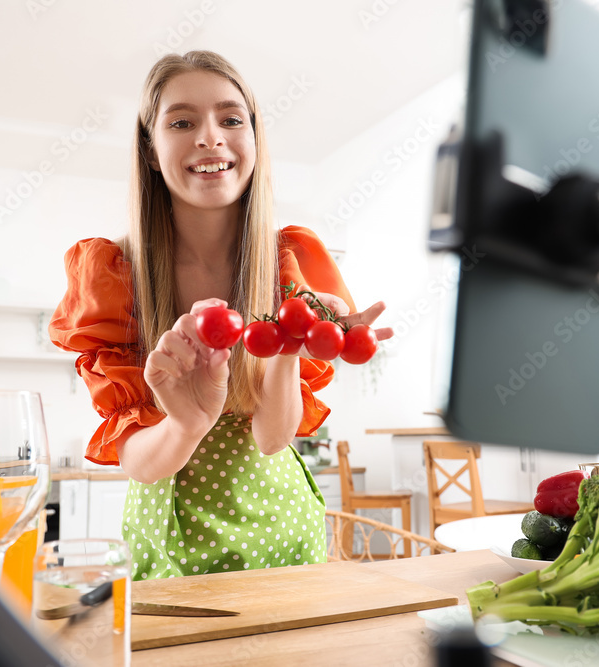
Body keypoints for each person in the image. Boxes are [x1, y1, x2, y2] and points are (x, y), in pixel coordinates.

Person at [49, 51, 392, 580]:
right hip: (173, 541)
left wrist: (289, 350)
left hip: (286, 534)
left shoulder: (288, 265)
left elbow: (273, 438)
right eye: (182, 122)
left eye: (232, 119)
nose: (210, 137)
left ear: (253, 140)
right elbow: (139, 462)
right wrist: (187, 425)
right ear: (150, 149)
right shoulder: (114, 276)